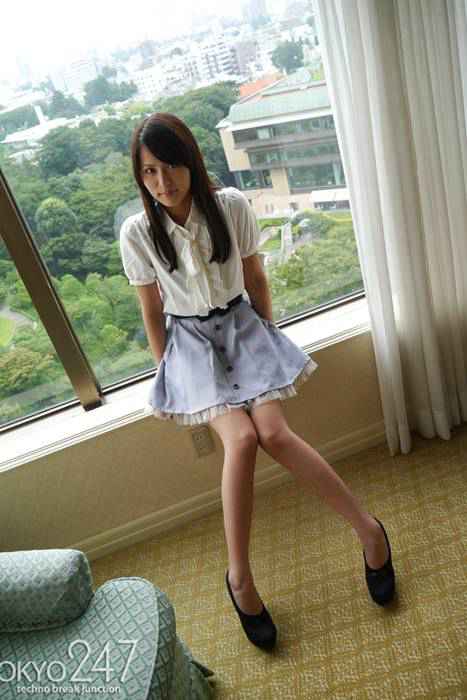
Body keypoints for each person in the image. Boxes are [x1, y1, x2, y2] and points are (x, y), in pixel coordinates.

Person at [119, 112, 396, 651]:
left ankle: (370, 531)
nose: (162, 181)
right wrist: (167, 372)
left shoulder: (231, 206)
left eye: (170, 166)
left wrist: (266, 340)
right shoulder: (138, 232)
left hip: (244, 327)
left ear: (191, 161)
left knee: (273, 432)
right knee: (242, 440)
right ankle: (240, 578)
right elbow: (152, 311)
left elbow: (255, 278)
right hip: (189, 345)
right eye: (149, 172)